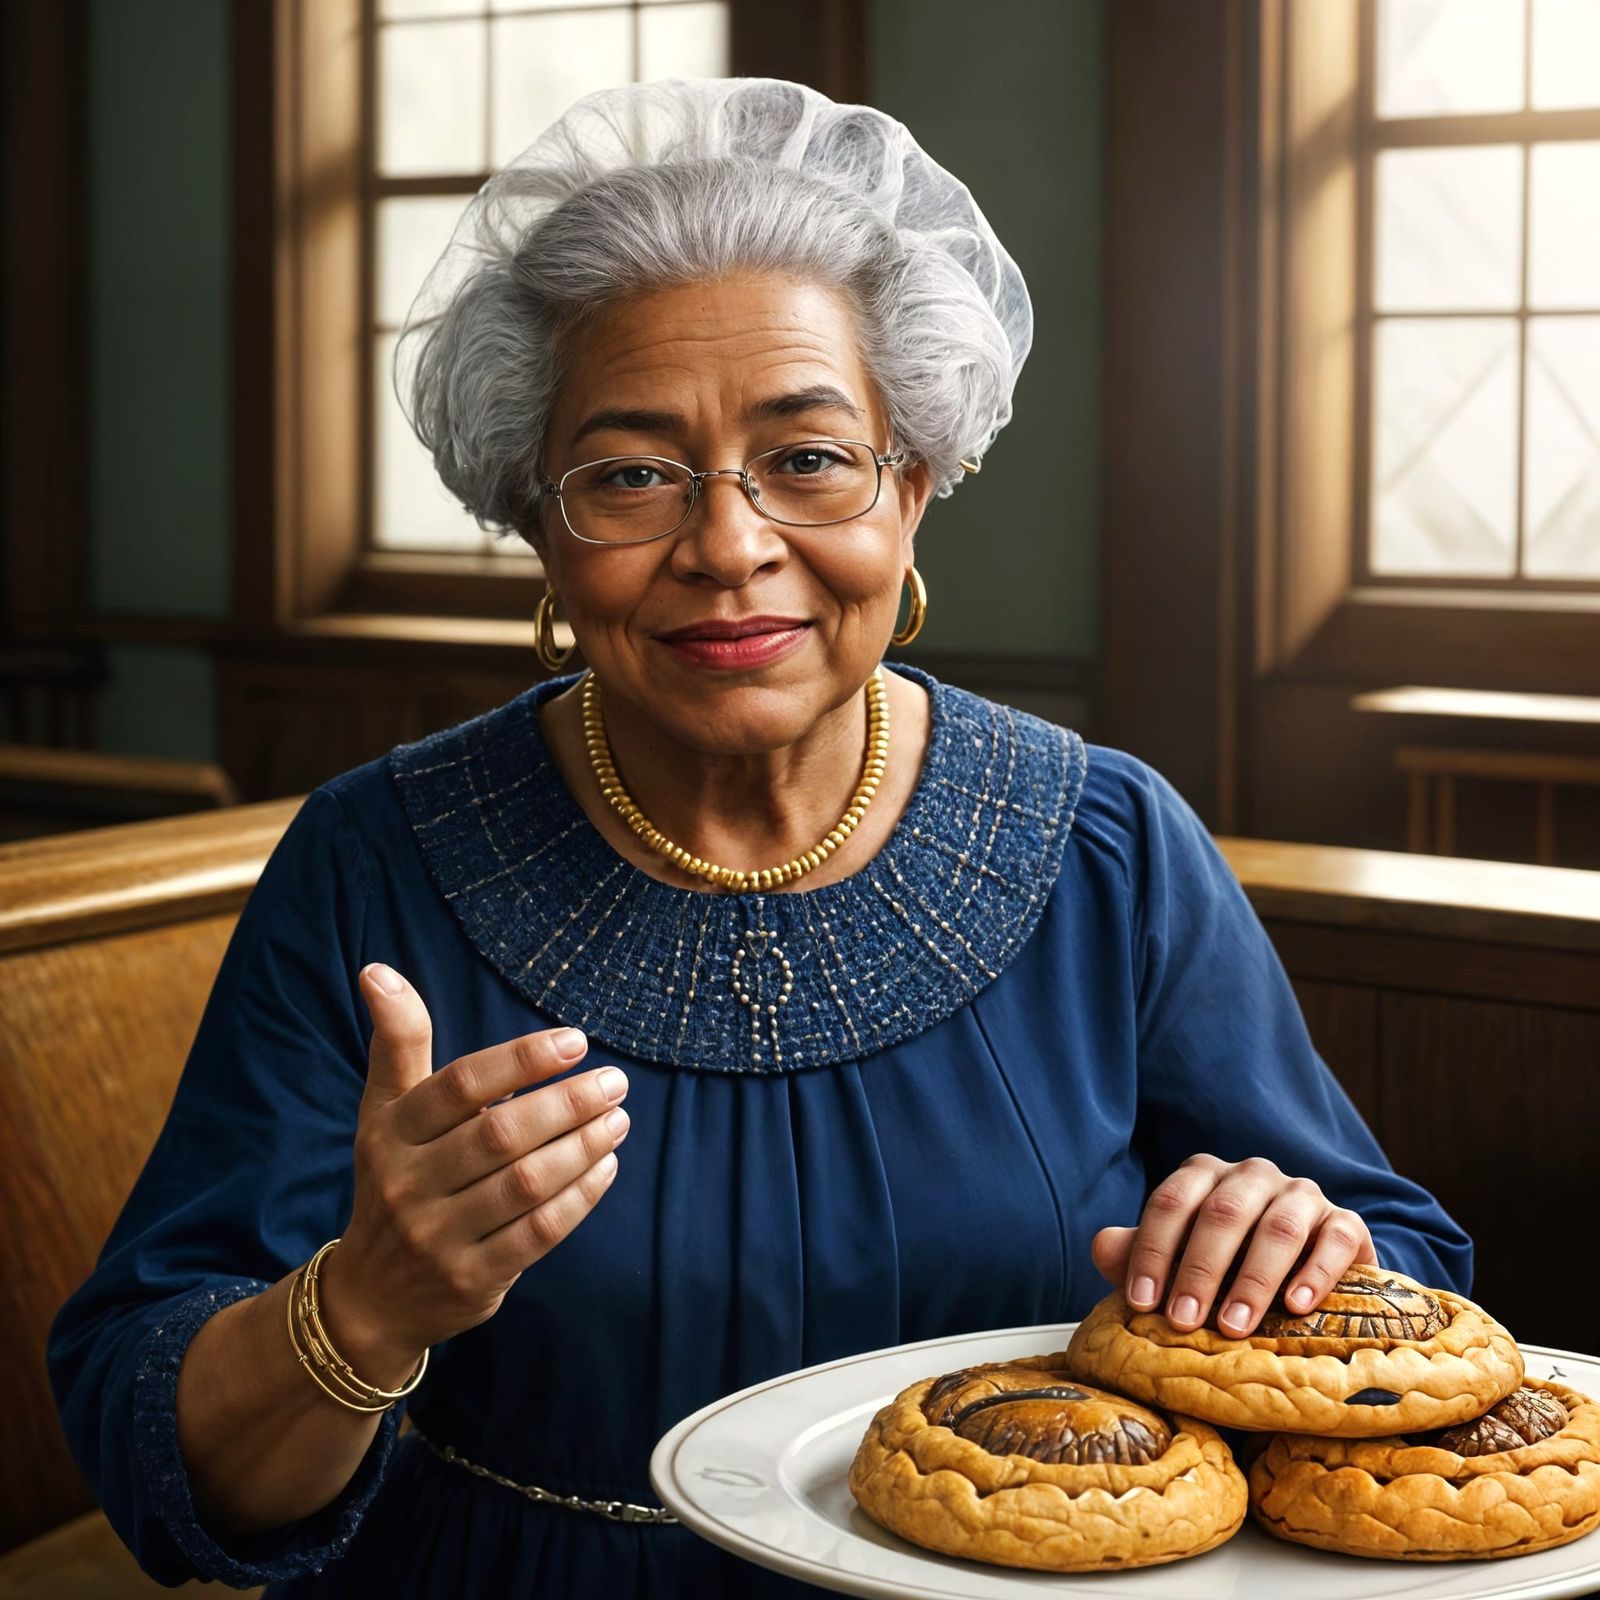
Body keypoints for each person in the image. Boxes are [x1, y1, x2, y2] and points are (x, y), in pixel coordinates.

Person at [48, 77, 1470, 1597]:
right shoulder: (371, 859)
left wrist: (1293, 1242)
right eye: (631, 476)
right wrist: (367, 1306)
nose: (728, 547)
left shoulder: (1108, 840)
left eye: (807, 457)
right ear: (539, 527)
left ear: (913, 488)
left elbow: (1403, 1279)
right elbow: (163, 1453)